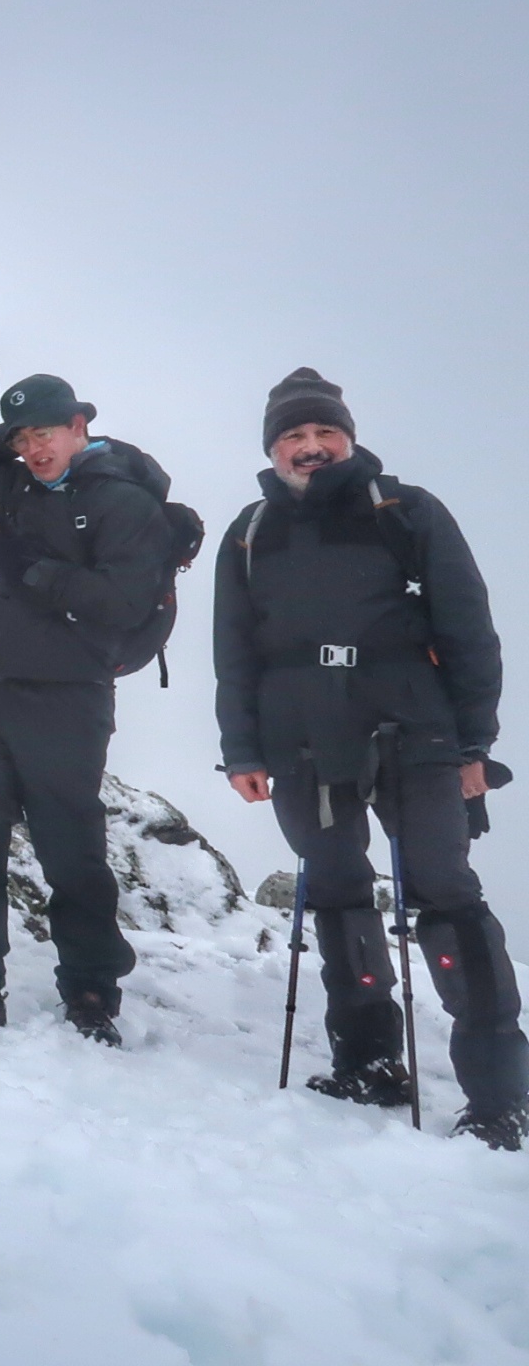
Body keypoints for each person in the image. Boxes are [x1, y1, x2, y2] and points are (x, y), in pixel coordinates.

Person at [216, 369, 524, 1149]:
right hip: (302, 742)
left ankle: (501, 1092)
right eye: (294, 436)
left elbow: (467, 630)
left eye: (324, 434)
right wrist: (241, 749)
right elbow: (234, 652)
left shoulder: (406, 511)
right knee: (338, 891)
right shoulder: (250, 531)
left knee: (444, 891)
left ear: (348, 438)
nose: (311, 448)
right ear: (273, 448)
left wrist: (473, 746)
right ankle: (369, 1061)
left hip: (412, 734)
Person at [0, 375, 173, 1043]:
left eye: (47, 432)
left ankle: (91, 990)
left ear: (82, 426)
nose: (34, 448)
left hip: (69, 698)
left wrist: (28, 569)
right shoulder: (23, 484)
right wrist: (4, 437)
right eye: (24, 437)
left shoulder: (122, 500)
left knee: (71, 851)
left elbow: (121, 603)